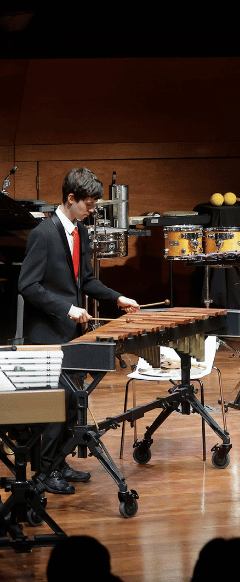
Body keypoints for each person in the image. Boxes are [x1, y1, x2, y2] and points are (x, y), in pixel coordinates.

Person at [18, 167, 139, 494]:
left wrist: (118, 298)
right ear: (70, 199)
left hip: (71, 335)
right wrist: (67, 308)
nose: (91, 210)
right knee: (58, 403)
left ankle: (60, 463)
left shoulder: (80, 233)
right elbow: (27, 285)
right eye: (87, 204)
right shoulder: (43, 234)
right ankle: (44, 472)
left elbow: (85, 280)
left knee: (74, 402)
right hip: (46, 334)